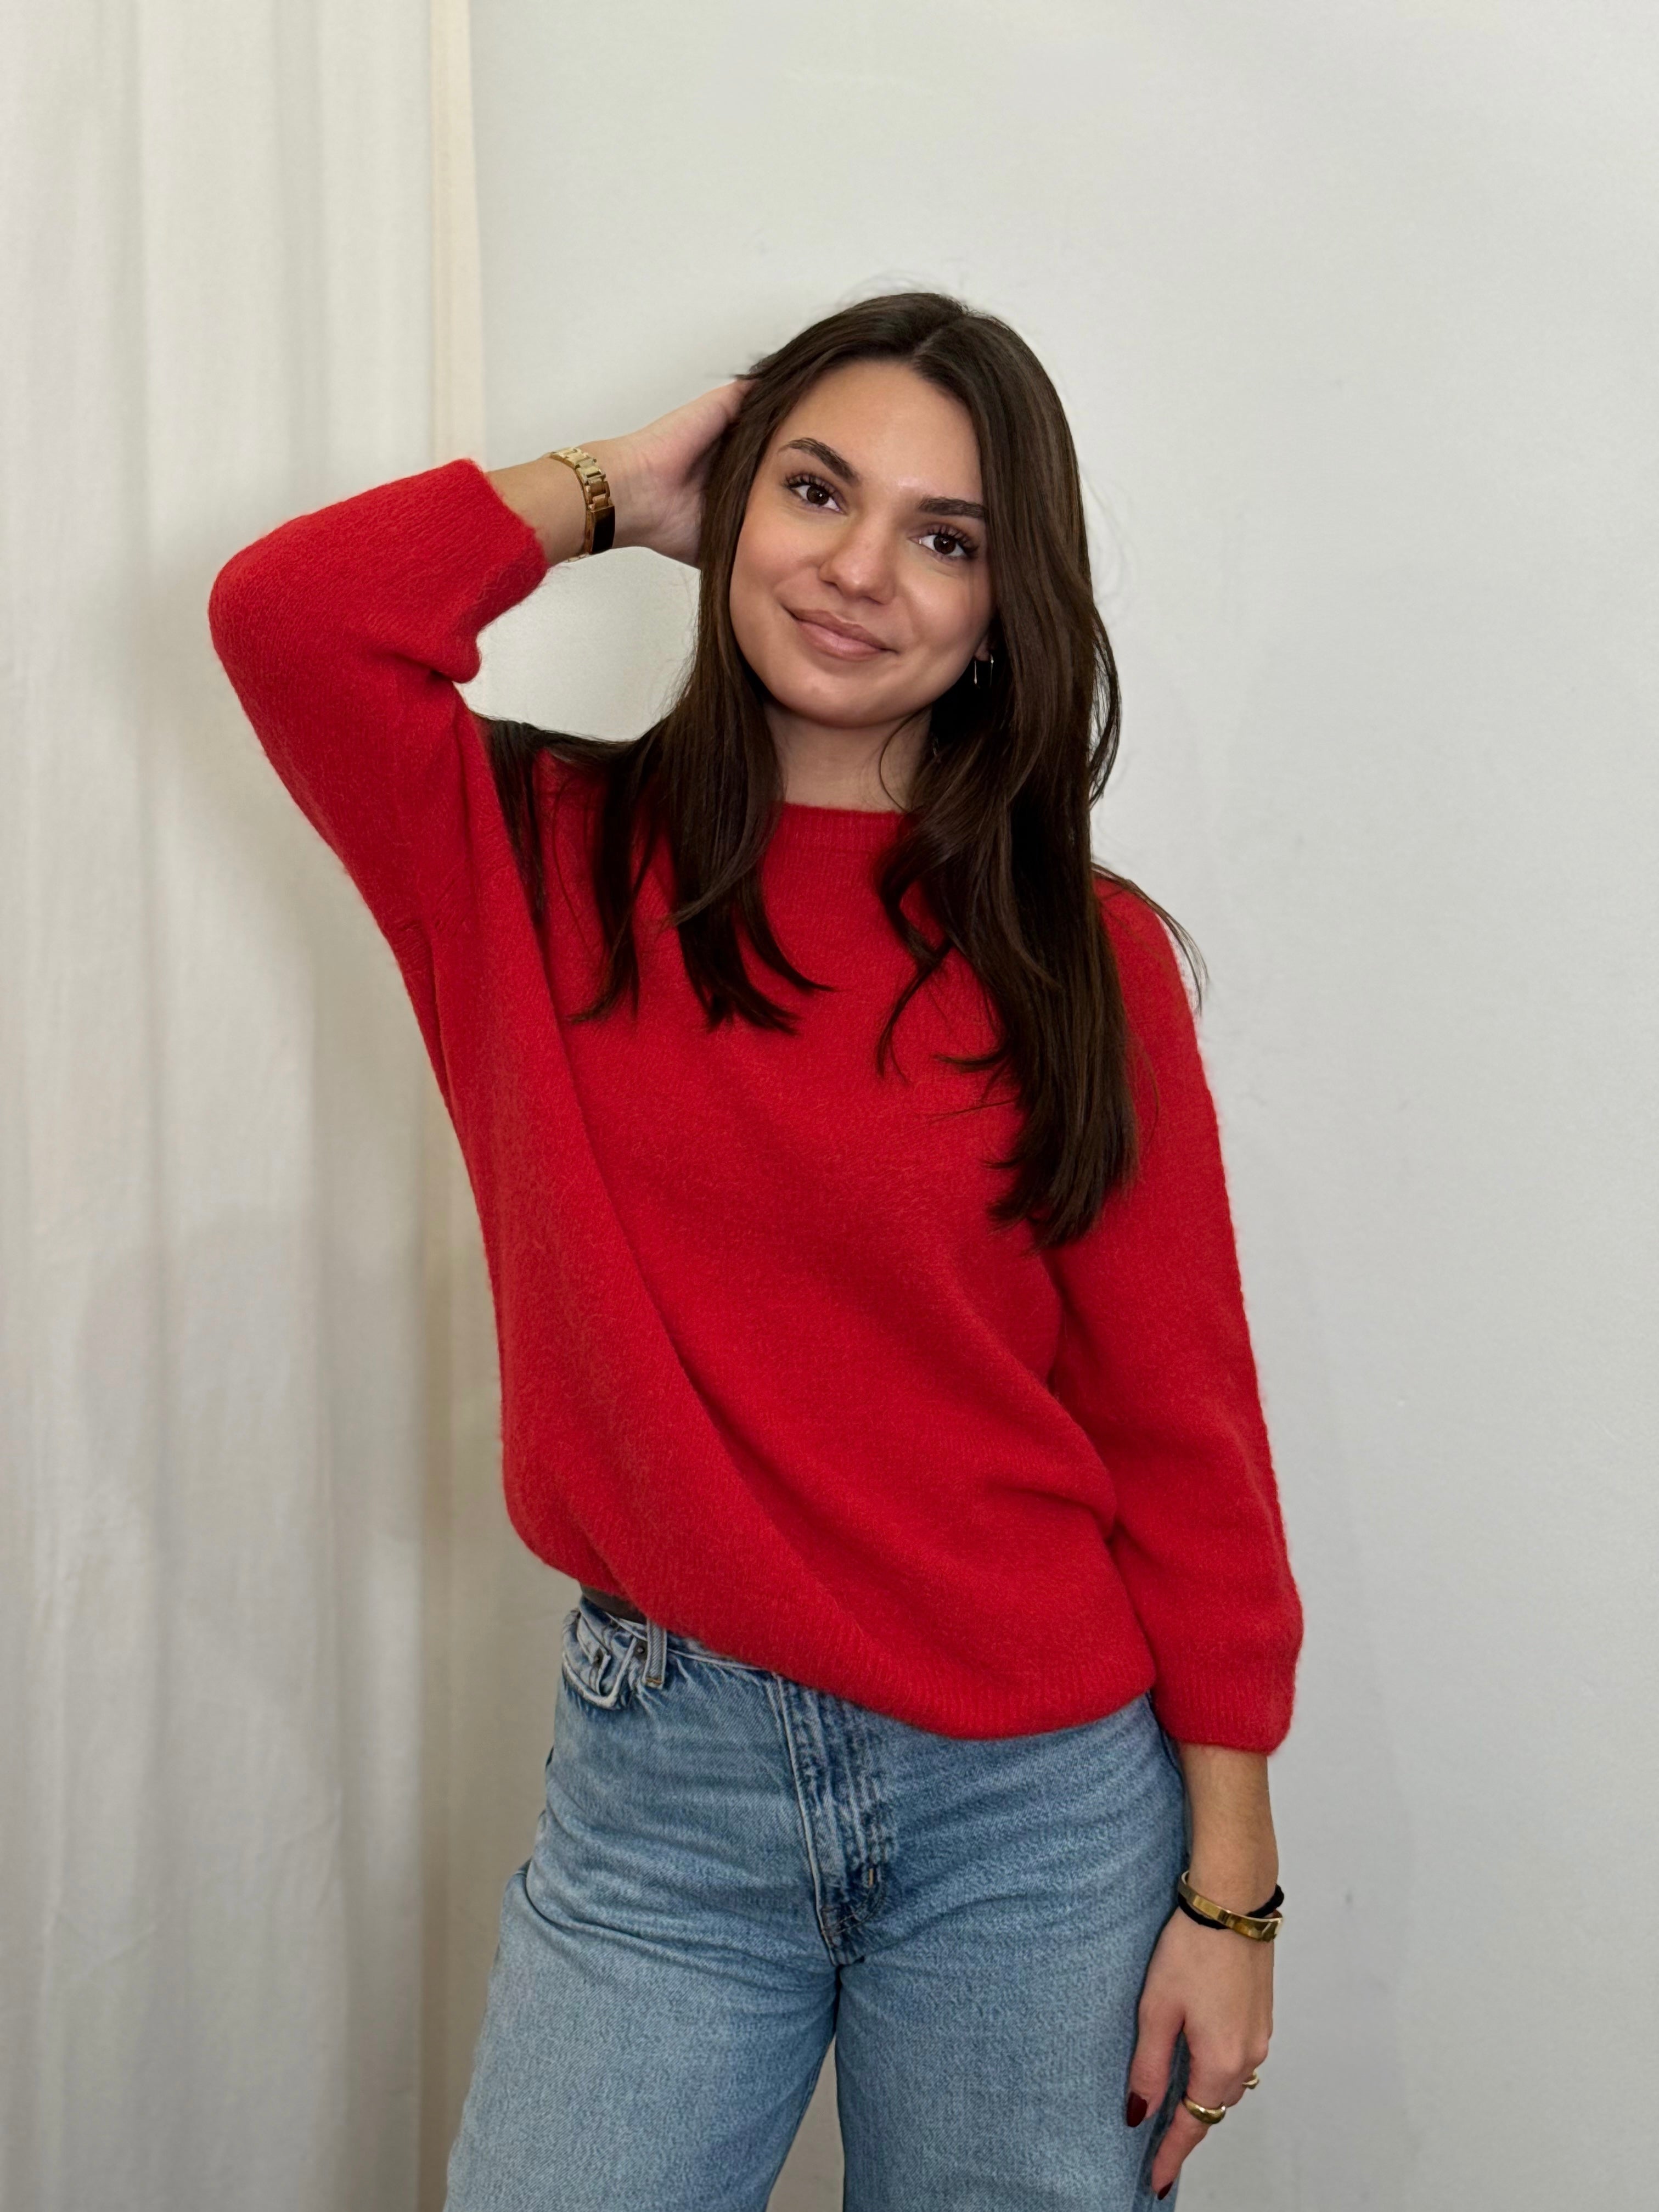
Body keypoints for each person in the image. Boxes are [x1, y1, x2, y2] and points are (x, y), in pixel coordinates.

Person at [209, 289, 1302, 2211]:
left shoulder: (1084, 956)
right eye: (815, 492)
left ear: (1003, 608)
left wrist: (1234, 1888)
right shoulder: (529, 854)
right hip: (668, 1792)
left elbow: (1181, 1425)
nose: (861, 569)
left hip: (1038, 1813)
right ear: (734, 507)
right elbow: (289, 617)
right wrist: (615, 489)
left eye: (944, 538)